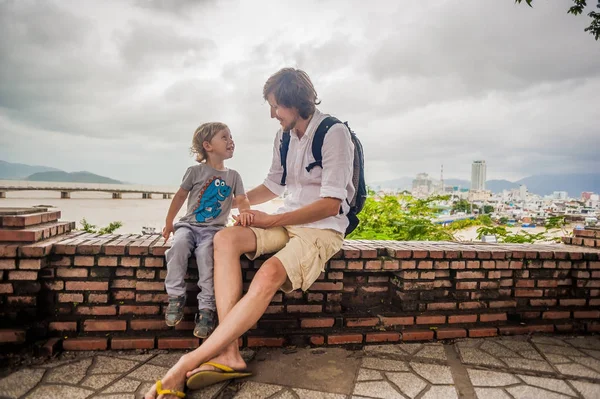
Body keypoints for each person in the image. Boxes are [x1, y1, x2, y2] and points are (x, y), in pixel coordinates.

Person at [145, 68, 355, 399]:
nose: (273, 114)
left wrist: (269, 221)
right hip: (287, 220)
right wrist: (221, 204)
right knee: (224, 238)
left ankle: (188, 363)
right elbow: (275, 184)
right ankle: (230, 354)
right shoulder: (285, 136)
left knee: (269, 272)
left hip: (322, 229)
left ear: (293, 100)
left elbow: (331, 204)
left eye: (275, 106)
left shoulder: (333, 133)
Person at [162, 122, 252, 339]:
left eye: (231, 137)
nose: (231, 141)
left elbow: (241, 199)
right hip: (189, 226)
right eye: (224, 137)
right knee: (179, 246)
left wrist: (246, 212)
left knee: (205, 256)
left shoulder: (234, 176)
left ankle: (207, 309)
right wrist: (169, 222)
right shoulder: (195, 171)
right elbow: (180, 197)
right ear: (207, 145)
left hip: (214, 231)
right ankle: (175, 297)